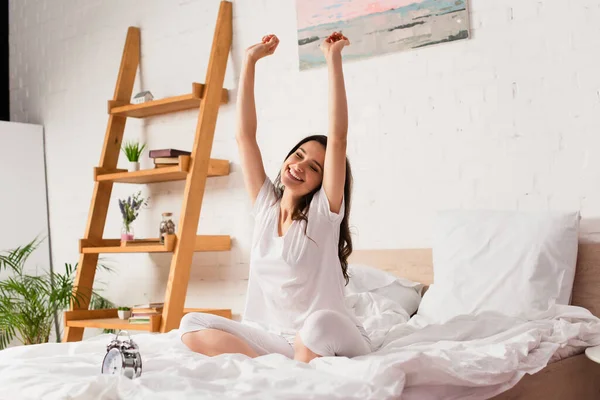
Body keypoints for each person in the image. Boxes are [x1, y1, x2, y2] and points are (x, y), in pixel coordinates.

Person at [179, 32, 371, 363]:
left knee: (317, 325)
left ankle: (290, 368)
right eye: (297, 156)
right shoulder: (266, 208)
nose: (299, 167)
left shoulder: (324, 216)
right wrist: (250, 61)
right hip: (275, 340)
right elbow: (244, 137)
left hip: (327, 333)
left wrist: (333, 58)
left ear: (321, 182)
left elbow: (338, 138)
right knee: (190, 324)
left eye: (313, 167)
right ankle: (272, 366)